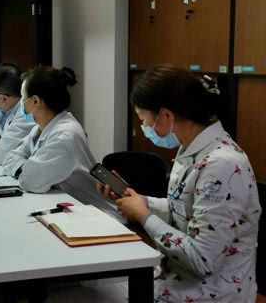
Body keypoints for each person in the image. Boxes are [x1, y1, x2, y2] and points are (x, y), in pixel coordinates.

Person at [98, 64, 260, 302]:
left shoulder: (221, 165)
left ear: (166, 115)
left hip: (210, 294)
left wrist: (144, 216)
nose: (143, 127)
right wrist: (139, 200)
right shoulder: (192, 149)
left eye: (143, 119)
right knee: (92, 288)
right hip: (175, 280)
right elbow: (185, 210)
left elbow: (202, 259)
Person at [2, 66, 119, 219]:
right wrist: (26, 168)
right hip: (72, 209)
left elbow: (29, 181)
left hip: (101, 217)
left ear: (35, 101)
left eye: (23, 100)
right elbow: (9, 158)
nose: (21, 105)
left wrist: (26, 169)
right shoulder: (42, 128)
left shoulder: (64, 136)